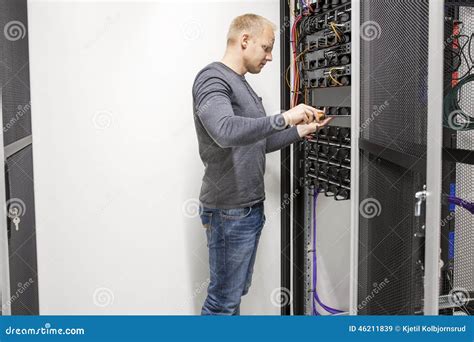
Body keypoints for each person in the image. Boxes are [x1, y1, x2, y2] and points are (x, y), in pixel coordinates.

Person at [192, 13, 331, 315]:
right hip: (229, 210)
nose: (270, 57)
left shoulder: (241, 85)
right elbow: (225, 132)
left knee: (233, 295)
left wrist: (300, 130)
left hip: (248, 208)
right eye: (267, 48)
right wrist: (283, 117)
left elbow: (260, 142)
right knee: (222, 303)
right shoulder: (212, 78)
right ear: (245, 40)